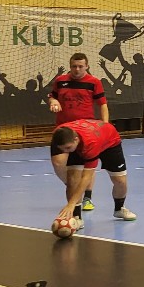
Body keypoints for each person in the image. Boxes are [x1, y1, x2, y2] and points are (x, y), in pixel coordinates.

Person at [49, 118, 137, 230]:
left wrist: (70, 204)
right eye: (63, 149)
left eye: (67, 148)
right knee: (72, 181)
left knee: (120, 182)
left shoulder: (91, 143)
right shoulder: (59, 135)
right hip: (84, 142)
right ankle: (77, 217)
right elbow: (63, 153)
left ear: (76, 139)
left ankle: (119, 209)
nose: (66, 151)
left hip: (109, 142)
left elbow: (86, 177)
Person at [47, 52, 107, 212]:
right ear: (70, 66)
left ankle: (87, 197)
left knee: (88, 163)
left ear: (87, 66)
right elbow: (52, 96)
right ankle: (73, 185)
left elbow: (103, 104)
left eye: (81, 66)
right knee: (58, 163)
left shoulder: (94, 82)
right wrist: (53, 101)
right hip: (63, 129)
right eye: (74, 66)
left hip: (85, 130)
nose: (77, 69)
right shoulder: (60, 81)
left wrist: (105, 125)